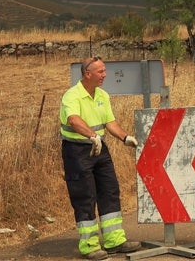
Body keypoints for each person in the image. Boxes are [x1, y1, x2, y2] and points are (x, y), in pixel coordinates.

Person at [59, 57, 143, 259]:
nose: (105, 75)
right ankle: (89, 245)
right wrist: (92, 136)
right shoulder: (72, 96)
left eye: (104, 71)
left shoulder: (102, 95)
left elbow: (109, 122)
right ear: (88, 74)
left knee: (109, 190)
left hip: (99, 148)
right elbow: (73, 120)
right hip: (77, 151)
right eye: (100, 72)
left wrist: (125, 137)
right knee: (85, 196)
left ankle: (114, 240)